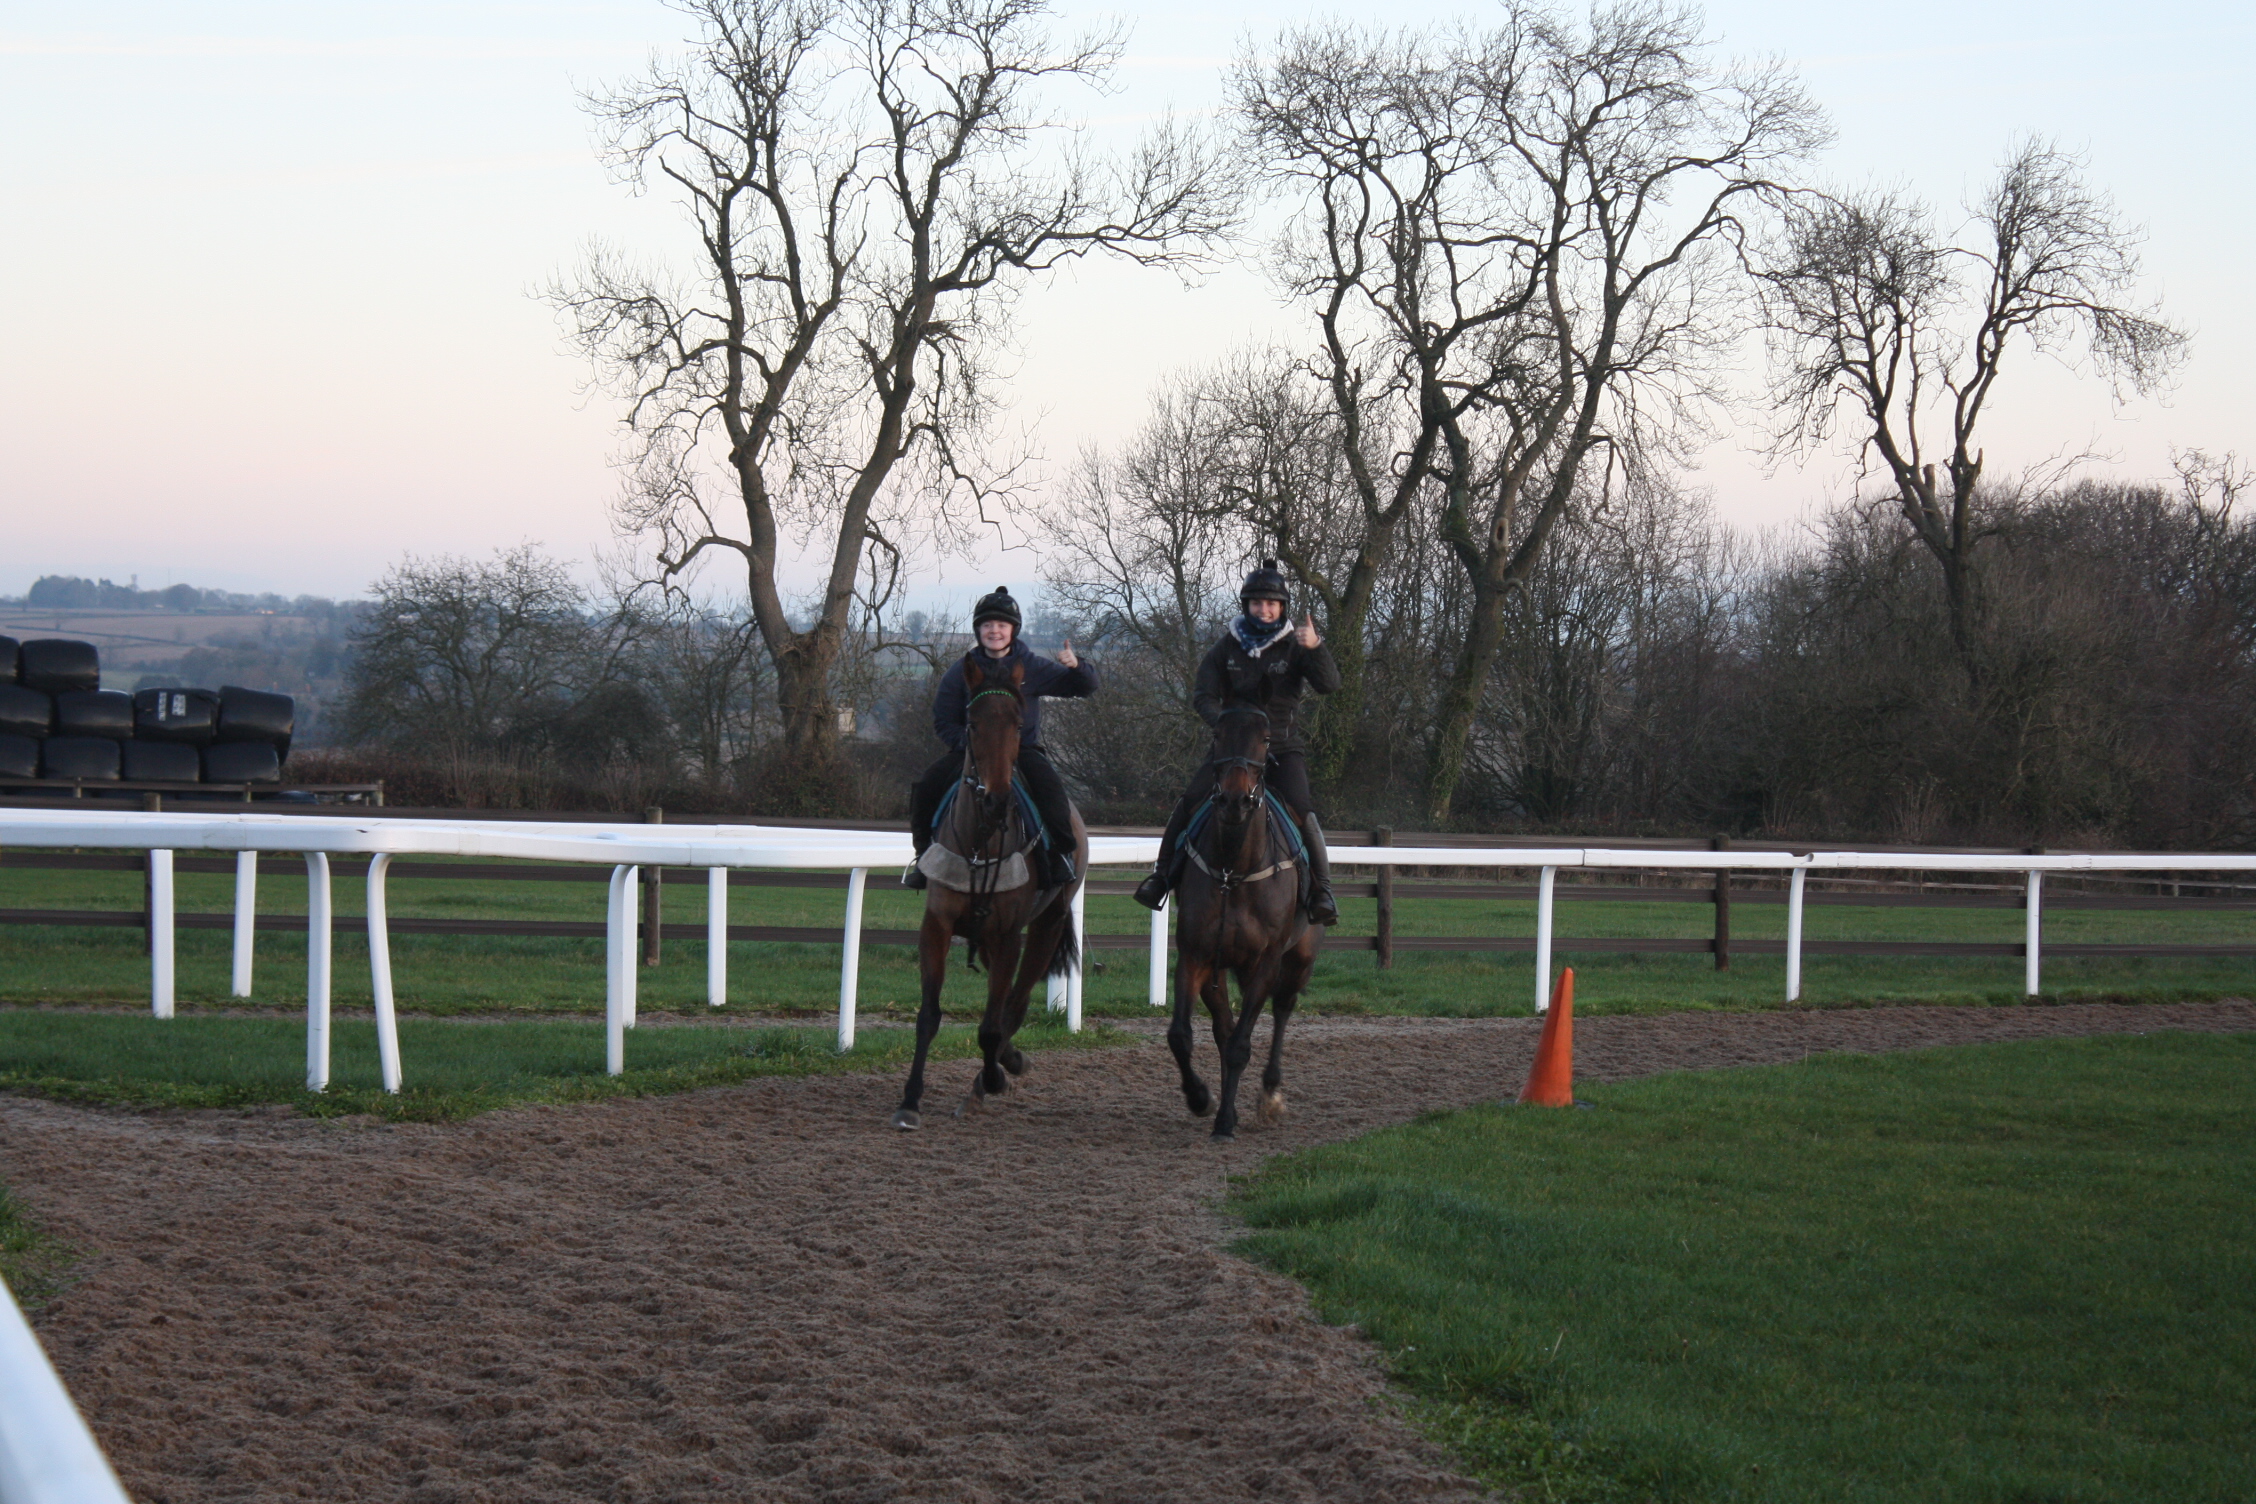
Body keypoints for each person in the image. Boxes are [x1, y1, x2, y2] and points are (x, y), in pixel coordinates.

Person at [1132, 561, 1340, 925]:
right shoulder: (1226, 646)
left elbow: (1330, 686)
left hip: (1282, 748)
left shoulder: (1296, 645)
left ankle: (1321, 890)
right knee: (1189, 802)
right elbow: (1202, 695)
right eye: (1257, 603)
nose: (1264, 609)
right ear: (1246, 606)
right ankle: (1161, 878)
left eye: (1271, 603)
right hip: (1231, 752)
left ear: (1282, 608)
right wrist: (1225, 726)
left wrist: (1316, 648)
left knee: (1303, 810)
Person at [905, 587, 1094, 890]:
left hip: (1022, 751)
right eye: (987, 625)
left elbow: (1083, 688)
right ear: (978, 630)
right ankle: (923, 855)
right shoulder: (960, 671)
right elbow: (943, 720)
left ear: (1013, 630)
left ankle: (1059, 854)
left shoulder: (1032, 665)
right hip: (972, 752)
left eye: (1001, 625)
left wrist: (1077, 666)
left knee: (1052, 792)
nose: (994, 631)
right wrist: (971, 745)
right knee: (927, 786)